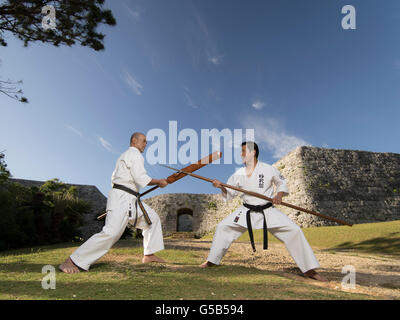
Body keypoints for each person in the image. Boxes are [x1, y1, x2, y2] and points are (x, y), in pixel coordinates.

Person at [200, 141, 328, 282]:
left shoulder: (268, 169)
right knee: (223, 227)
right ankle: (212, 261)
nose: (241, 154)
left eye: (244, 151)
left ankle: (309, 270)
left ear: (253, 152)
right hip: (246, 210)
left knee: (294, 230)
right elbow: (229, 193)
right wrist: (221, 187)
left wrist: (279, 195)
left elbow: (281, 183)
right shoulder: (238, 174)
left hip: (267, 210)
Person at [59, 132, 168, 274]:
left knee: (152, 219)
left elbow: (134, 179)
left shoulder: (128, 156)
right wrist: (159, 182)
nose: (146, 144)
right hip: (122, 198)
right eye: (144, 141)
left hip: (131, 199)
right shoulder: (134, 154)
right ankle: (72, 261)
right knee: (111, 232)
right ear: (134, 141)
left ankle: (149, 254)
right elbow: (140, 177)